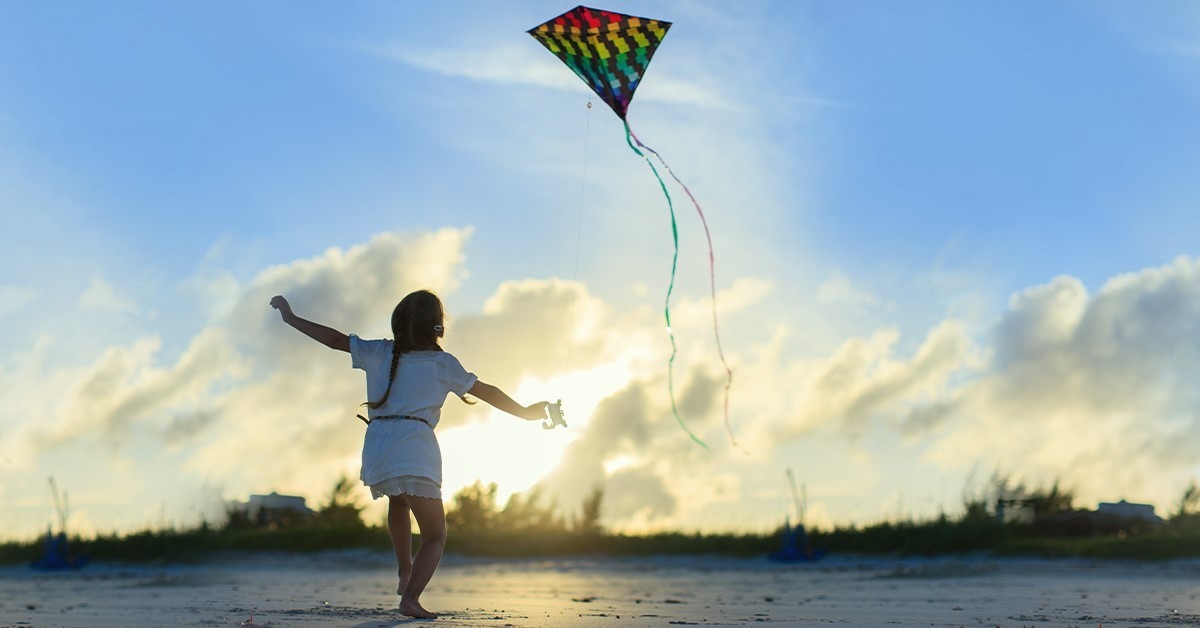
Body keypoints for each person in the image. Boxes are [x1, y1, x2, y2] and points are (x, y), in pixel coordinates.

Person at [270, 290, 550, 619]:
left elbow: (334, 339)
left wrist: (290, 318)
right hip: (415, 447)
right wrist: (527, 412)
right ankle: (411, 598)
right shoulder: (442, 363)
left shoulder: (378, 351)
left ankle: (404, 572)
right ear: (438, 327)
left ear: (397, 325)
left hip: (378, 447)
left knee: (399, 501)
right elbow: (487, 392)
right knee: (435, 535)